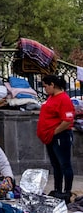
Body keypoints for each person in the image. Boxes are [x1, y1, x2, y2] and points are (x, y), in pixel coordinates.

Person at [37, 74, 75, 202]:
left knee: (65, 164)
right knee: (56, 165)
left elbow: (67, 120)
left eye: (46, 86)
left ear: (52, 85)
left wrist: (54, 132)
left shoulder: (64, 99)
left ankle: (67, 191)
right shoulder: (51, 97)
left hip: (60, 136)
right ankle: (58, 189)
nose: (45, 89)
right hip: (50, 137)